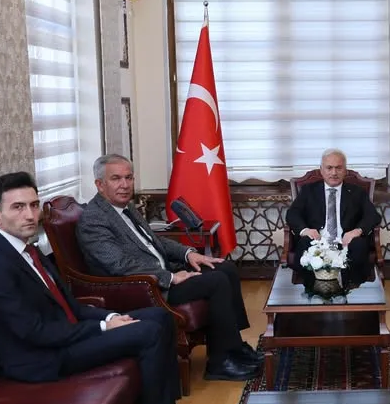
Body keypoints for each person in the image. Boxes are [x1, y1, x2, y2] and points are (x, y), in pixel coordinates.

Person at [0, 172, 210, 404]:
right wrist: (102, 327)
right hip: (40, 358)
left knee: (159, 316)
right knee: (147, 333)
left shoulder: (28, 250)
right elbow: (33, 332)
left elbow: (70, 305)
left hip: (63, 338)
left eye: (33, 205)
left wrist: (111, 315)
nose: (30, 215)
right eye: (18, 207)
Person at [76, 154, 261, 382]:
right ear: (99, 184)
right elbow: (118, 265)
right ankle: (220, 363)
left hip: (161, 274)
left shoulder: (126, 208)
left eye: (129, 178)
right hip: (143, 287)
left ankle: (234, 347)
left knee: (225, 268)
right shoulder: (94, 220)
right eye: (116, 179)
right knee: (216, 281)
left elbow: (156, 242)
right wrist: (170, 277)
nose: (124, 185)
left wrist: (189, 253)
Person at [285, 148, 380, 283]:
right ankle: (310, 288)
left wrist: (356, 231)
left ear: (345, 170)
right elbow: (292, 214)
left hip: (346, 243)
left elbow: (373, 216)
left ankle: (352, 287)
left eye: (338, 168)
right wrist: (305, 230)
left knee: (359, 245)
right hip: (317, 241)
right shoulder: (309, 191)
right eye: (329, 168)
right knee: (305, 243)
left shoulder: (356, 192)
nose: (334, 173)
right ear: (321, 170)